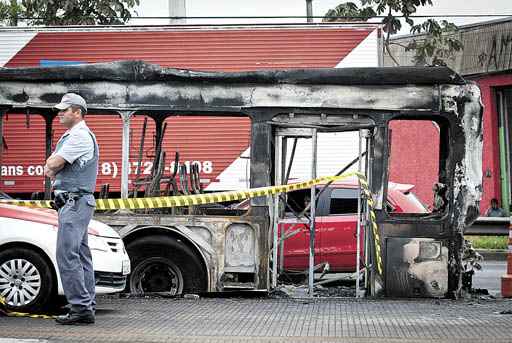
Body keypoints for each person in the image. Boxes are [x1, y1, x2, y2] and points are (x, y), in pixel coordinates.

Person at [44, 93, 98, 325]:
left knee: (67, 256)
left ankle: (80, 308)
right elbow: (54, 165)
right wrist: (54, 164)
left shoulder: (79, 136)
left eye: (64, 110)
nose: (59, 114)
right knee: (81, 255)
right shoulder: (75, 135)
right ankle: (85, 305)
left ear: (77, 112)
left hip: (74, 203)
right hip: (75, 202)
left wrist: (52, 163)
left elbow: (52, 165)